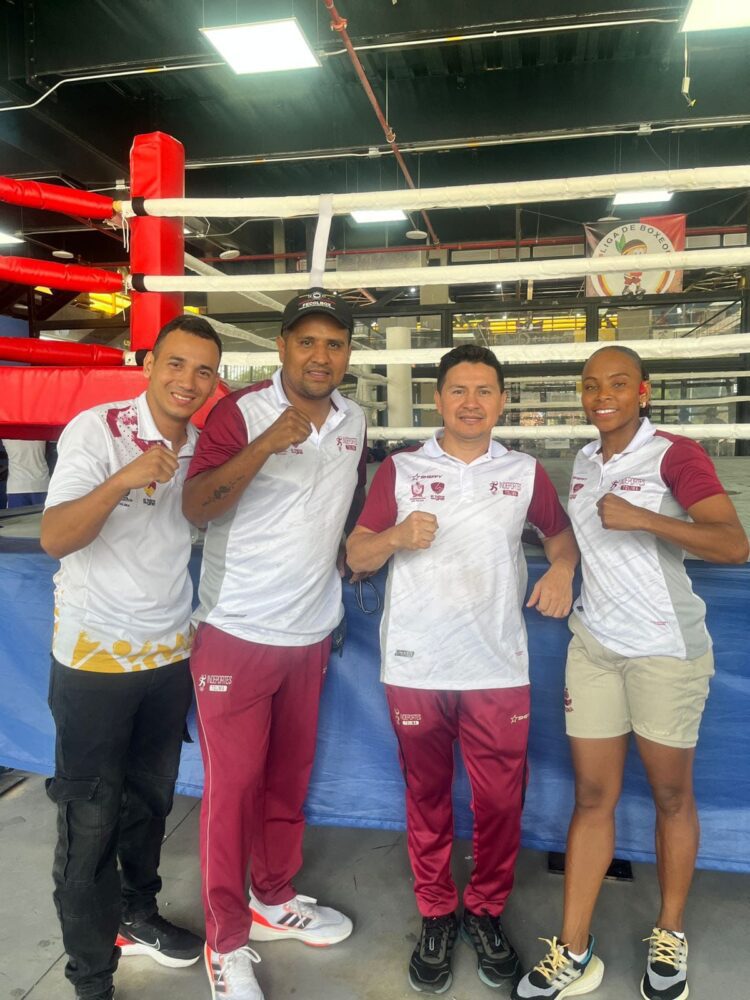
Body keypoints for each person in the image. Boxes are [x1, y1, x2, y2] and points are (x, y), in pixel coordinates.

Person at [513, 345, 749, 1000]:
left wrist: (645, 518)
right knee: (593, 797)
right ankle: (575, 949)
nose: (603, 394)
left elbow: (733, 544)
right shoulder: (586, 461)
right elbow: (571, 540)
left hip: (665, 651)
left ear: (643, 390)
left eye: (618, 383)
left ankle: (670, 929)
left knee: (672, 796)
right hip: (594, 645)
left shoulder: (675, 454)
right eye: (591, 385)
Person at [346, 344, 579, 995]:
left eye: (484, 390)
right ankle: (436, 912)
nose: (471, 402)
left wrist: (561, 568)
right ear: (438, 399)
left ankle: (484, 909)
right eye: (458, 390)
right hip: (416, 665)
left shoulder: (526, 472)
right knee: (426, 797)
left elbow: (560, 538)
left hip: (497, 667)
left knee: (501, 802)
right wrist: (394, 537)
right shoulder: (400, 468)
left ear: (501, 401)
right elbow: (356, 555)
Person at [182, 288, 367, 1000]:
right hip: (236, 631)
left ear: (347, 353)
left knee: (289, 779)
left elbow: (340, 502)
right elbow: (197, 506)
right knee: (233, 793)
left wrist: (356, 549)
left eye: (335, 343)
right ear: (283, 347)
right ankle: (224, 942)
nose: (321, 356)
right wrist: (264, 445)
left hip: (310, 631)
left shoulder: (354, 419)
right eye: (307, 341)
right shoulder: (240, 412)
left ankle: (273, 898)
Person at [40, 315, 223, 1000]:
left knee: (149, 802)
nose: (188, 381)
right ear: (149, 363)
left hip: (167, 657)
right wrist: (122, 480)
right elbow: (58, 537)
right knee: (90, 815)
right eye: (176, 364)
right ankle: (91, 976)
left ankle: (136, 913)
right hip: (93, 662)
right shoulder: (99, 429)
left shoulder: (205, 449)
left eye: (203, 370)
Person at [2, 438, 50, 506]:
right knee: (43, 516)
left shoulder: (6, 431)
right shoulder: (42, 430)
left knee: (16, 516)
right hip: (41, 484)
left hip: (17, 486)